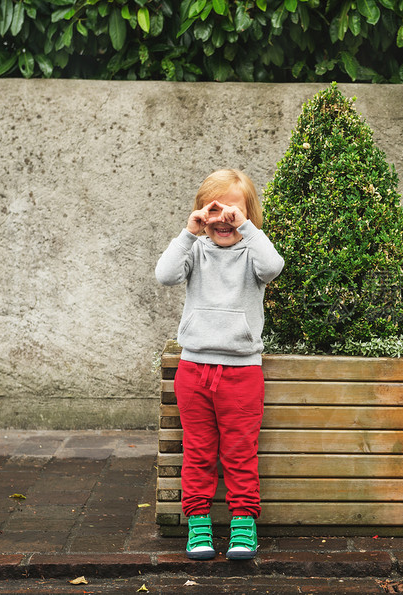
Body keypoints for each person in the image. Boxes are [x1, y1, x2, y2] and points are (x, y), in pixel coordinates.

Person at [155, 169, 284, 560]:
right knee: (198, 451)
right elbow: (164, 275)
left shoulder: (253, 254)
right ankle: (199, 524)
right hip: (194, 370)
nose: (224, 219)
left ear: (248, 216)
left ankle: (243, 523)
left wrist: (247, 228)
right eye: (215, 210)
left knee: (240, 451)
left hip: (243, 371)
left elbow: (274, 267)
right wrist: (189, 231)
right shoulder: (194, 249)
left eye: (234, 211)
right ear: (201, 214)